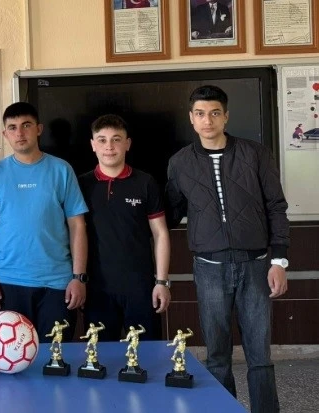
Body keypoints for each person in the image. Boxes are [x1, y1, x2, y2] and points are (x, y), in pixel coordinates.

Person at [166, 85, 289, 413]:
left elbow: (276, 207)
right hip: (209, 268)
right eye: (201, 114)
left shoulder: (255, 154)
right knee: (217, 355)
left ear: (226, 116)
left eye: (215, 113)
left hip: (256, 264)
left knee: (259, 355)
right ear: (191, 118)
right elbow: (169, 213)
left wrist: (279, 261)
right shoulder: (179, 163)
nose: (208, 120)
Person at [0, 102, 88, 340]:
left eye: (26, 125)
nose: (19, 133)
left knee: (55, 357)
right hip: (7, 283)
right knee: (12, 358)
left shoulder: (62, 170)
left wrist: (78, 277)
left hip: (57, 284)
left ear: (38, 129)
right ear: (5, 134)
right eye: (12, 127)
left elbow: (77, 225)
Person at [78, 114, 171, 341]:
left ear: (127, 143)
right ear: (92, 145)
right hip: (96, 288)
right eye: (102, 140)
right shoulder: (81, 184)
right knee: (99, 356)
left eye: (116, 139)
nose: (109, 147)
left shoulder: (145, 182)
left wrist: (161, 282)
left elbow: (160, 233)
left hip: (140, 286)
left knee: (147, 355)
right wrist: (78, 279)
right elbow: (74, 233)